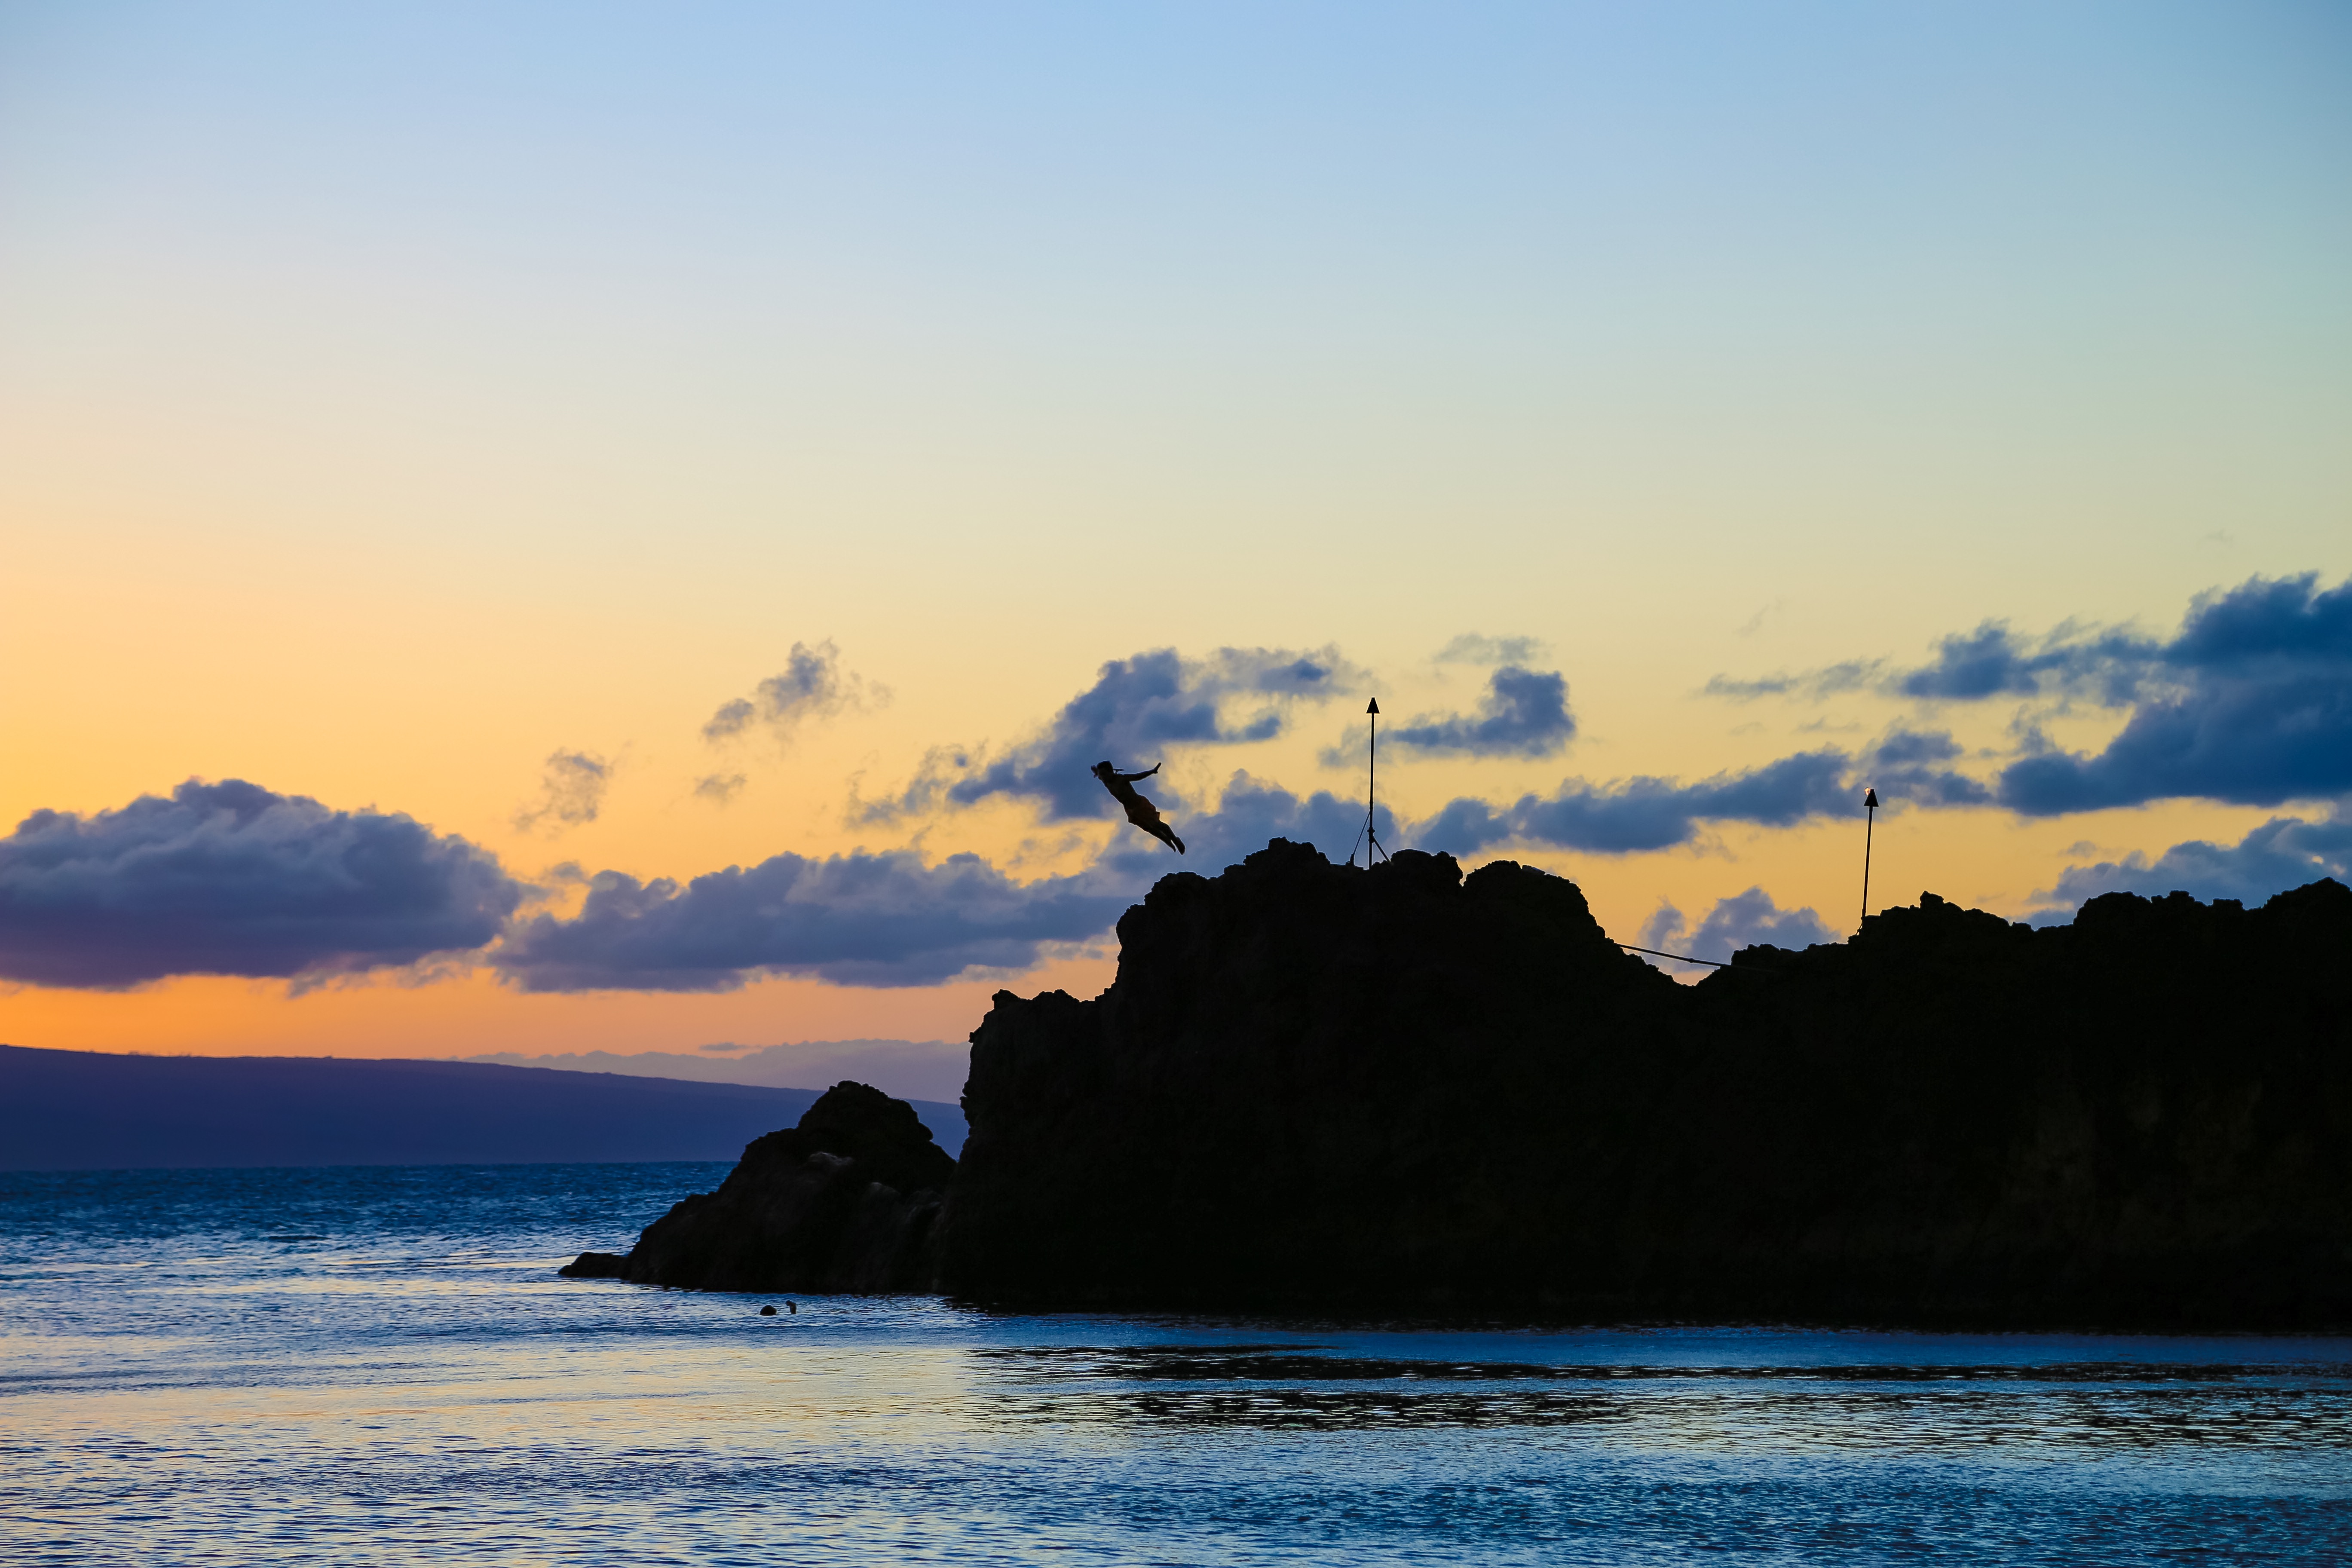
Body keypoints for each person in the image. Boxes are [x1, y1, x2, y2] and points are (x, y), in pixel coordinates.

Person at [1092, 761, 1185, 854]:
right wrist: (1096, 771)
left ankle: (1175, 840)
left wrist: (1152, 771)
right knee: (1149, 829)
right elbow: (1100, 775)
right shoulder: (1106, 781)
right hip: (1131, 810)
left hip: (1140, 805)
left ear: (1111, 772)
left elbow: (1137, 777)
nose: (1103, 778)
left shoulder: (1121, 779)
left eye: (1104, 774)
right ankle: (1167, 840)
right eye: (1101, 775)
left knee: (1157, 824)